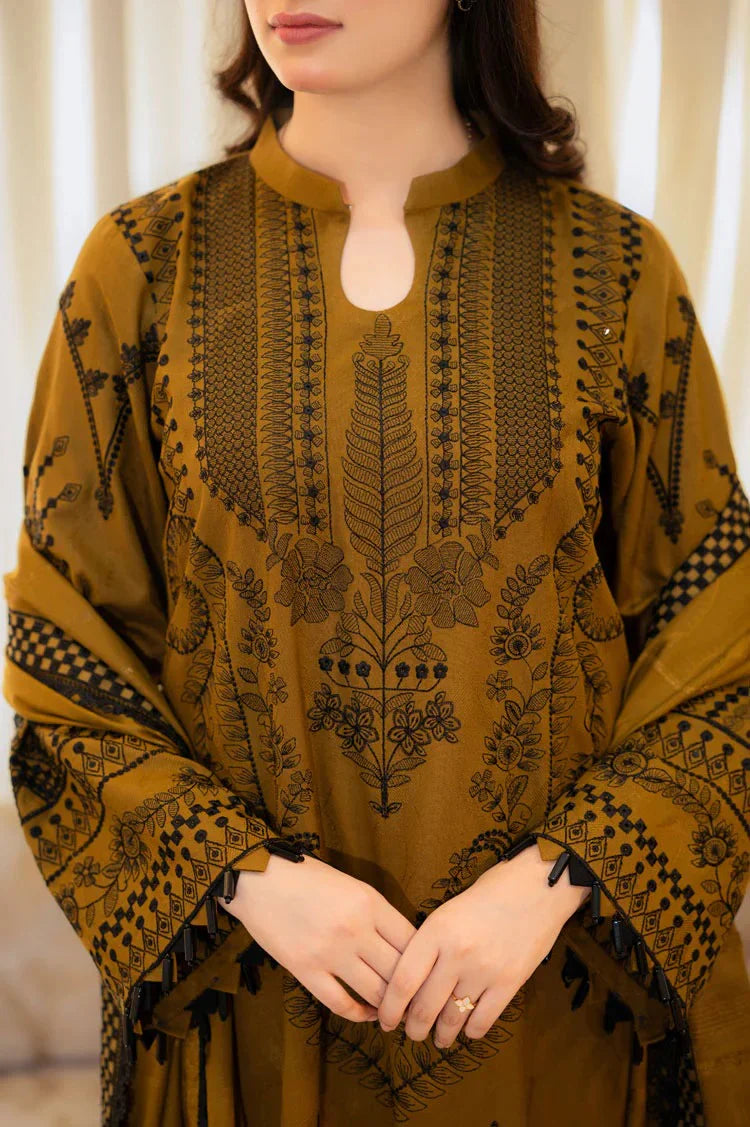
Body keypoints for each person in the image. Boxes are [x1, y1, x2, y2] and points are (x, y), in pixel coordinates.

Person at [4, 0, 749, 1123]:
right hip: (243, 1014)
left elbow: (720, 637)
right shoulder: (144, 269)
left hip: (557, 1015)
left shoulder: (614, 274)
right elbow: (67, 651)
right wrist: (248, 880)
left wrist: (554, 881)